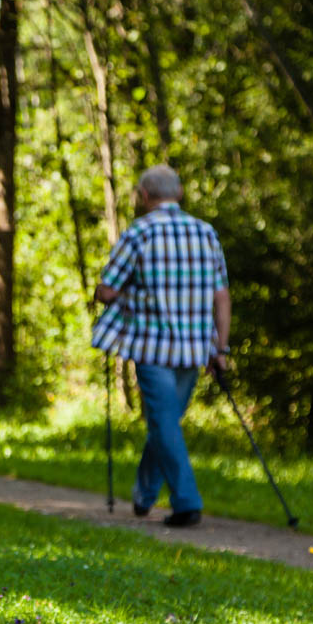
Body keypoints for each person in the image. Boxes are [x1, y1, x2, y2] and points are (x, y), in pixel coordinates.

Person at [91, 164, 231, 527]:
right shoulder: (206, 233)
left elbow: (108, 289)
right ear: (180, 193)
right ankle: (145, 493)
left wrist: (102, 294)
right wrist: (221, 348)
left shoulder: (139, 233)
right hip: (196, 348)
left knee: (164, 422)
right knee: (166, 421)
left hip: (152, 348)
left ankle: (186, 501)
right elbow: (222, 296)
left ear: (145, 196)